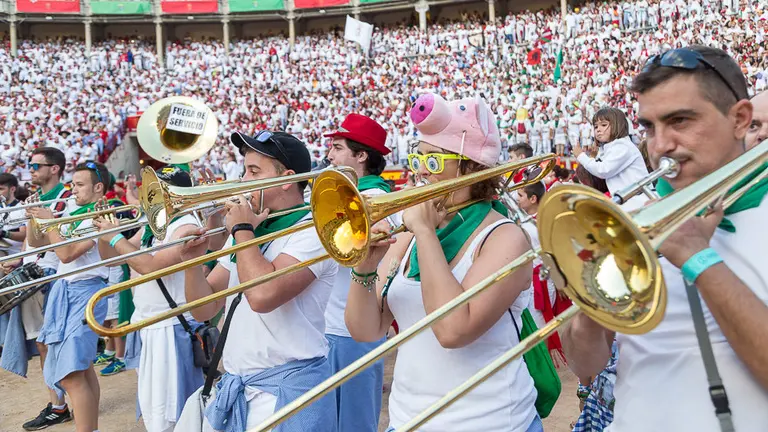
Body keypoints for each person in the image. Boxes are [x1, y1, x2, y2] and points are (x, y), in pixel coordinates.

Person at [562, 45, 768, 431]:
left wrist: (697, 257)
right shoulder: (635, 221)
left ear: (740, 119)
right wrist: (592, 300)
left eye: (680, 121)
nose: (659, 146)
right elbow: (586, 367)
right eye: (649, 127)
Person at [345, 93, 540, 431]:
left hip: (490, 423)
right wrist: (363, 268)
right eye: (417, 158)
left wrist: (424, 232)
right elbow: (366, 330)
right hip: (408, 420)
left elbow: (453, 330)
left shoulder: (505, 238)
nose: (421, 172)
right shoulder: (407, 237)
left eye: (433, 162)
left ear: (471, 167)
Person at [176, 131, 338, 432]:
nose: (243, 181)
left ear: (286, 179)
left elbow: (263, 296)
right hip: (241, 385)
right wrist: (191, 263)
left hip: (288, 392)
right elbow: (205, 308)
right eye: (244, 170)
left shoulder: (313, 230)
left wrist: (240, 229)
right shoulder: (251, 230)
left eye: (253, 172)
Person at [94, 166, 204, 432]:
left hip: (172, 326)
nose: (152, 197)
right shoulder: (150, 224)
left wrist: (117, 237)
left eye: (161, 190)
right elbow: (111, 258)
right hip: (149, 322)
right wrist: (103, 232)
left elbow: (151, 267)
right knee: (156, 410)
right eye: (151, 191)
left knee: (176, 412)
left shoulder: (186, 225)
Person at [323, 113, 399, 432]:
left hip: (352, 330)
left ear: (362, 155)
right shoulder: (346, 193)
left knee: (354, 423)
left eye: (338, 148)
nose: (329, 155)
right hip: (333, 327)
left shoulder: (376, 198)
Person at [30, 161, 113, 432]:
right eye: (72, 184)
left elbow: (66, 254)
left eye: (79, 185)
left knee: (71, 373)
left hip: (87, 291)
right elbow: (39, 243)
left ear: (98, 187)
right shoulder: (73, 210)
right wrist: (34, 219)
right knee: (83, 368)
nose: (73, 190)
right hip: (65, 290)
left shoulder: (100, 215)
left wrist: (50, 222)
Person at [6, 147, 75, 431]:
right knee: (42, 343)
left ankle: (60, 405)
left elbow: (58, 242)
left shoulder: (66, 198)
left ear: (55, 168)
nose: (31, 171)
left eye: (36, 167)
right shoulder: (37, 198)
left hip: (53, 275)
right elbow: (32, 243)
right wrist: (18, 261)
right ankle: (57, 402)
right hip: (34, 273)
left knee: (50, 342)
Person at [572, 107, 650, 211]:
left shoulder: (622, 145)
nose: (598, 129)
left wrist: (581, 156)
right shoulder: (609, 148)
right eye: (595, 126)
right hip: (630, 201)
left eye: (603, 125)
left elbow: (603, 170)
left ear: (618, 125)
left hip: (639, 202)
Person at [0, 173, 28, 256]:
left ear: (12, 189)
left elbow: (25, 235)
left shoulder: (23, 208)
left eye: (1, 189)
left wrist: (4, 233)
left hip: (13, 255)